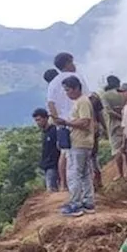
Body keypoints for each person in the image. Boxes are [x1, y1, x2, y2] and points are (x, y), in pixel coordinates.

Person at [45, 53, 92, 192]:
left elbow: (50, 103)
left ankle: (63, 185)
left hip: (62, 124)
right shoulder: (78, 78)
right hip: (79, 122)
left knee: (65, 154)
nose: (74, 65)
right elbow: (88, 99)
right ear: (67, 63)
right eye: (72, 62)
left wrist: (57, 120)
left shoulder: (54, 83)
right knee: (81, 161)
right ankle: (80, 195)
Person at [58, 76, 96, 217]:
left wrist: (66, 123)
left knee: (74, 173)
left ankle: (75, 203)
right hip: (84, 143)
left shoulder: (83, 102)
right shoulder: (82, 101)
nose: (67, 93)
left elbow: (85, 122)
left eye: (68, 90)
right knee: (85, 173)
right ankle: (88, 201)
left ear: (75, 88)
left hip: (79, 142)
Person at [102, 76, 127, 180]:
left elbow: (108, 111)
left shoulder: (106, 95)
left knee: (117, 150)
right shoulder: (123, 93)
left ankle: (120, 173)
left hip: (114, 125)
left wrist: (119, 117)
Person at [34, 108, 61, 193]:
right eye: (36, 120)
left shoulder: (54, 131)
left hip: (53, 165)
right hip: (47, 165)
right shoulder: (45, 133)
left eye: (39, 119)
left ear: (46, 118)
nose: (38, 122)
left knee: (51, 190)